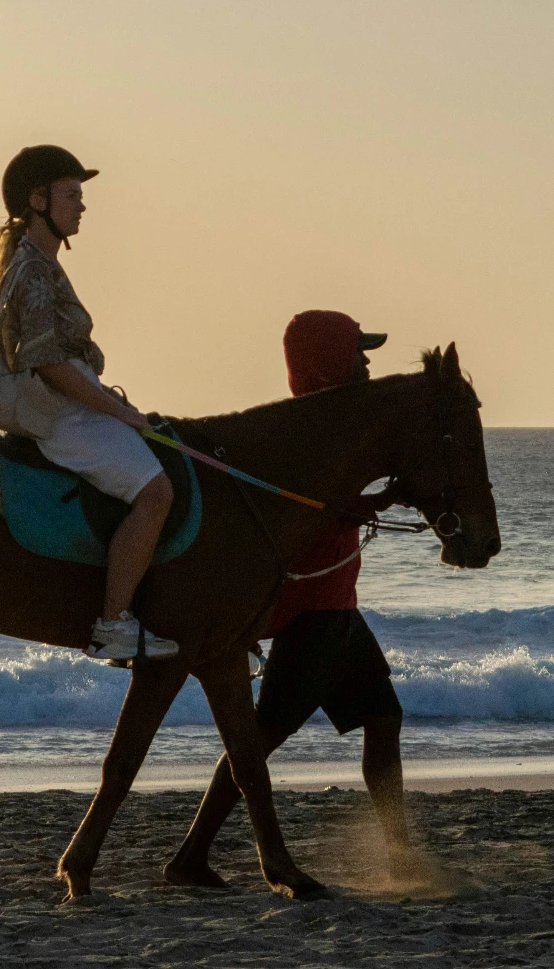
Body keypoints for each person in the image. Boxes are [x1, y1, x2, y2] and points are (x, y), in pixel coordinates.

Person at [163, 310, 412, 885]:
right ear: (330, 363)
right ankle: (190, 856)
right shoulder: (307, 434)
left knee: (383, 716)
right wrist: (376, 502)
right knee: (258, 741)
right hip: (311, 613)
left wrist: (378, 501)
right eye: (358, 352)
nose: (368, 363)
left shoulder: (334, 427)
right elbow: (305, 514)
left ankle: (398, 851)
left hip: (339, 608)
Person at [0, 145, 178, 660]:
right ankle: (114, 621)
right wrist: (115, 410)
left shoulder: (41, 263)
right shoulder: (30, 270)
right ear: (37, 199)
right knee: (157, 493)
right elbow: (46, 362)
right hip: (64, 414)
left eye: (81, 195)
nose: (82, 205)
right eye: (72, 194)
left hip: (79, 403)